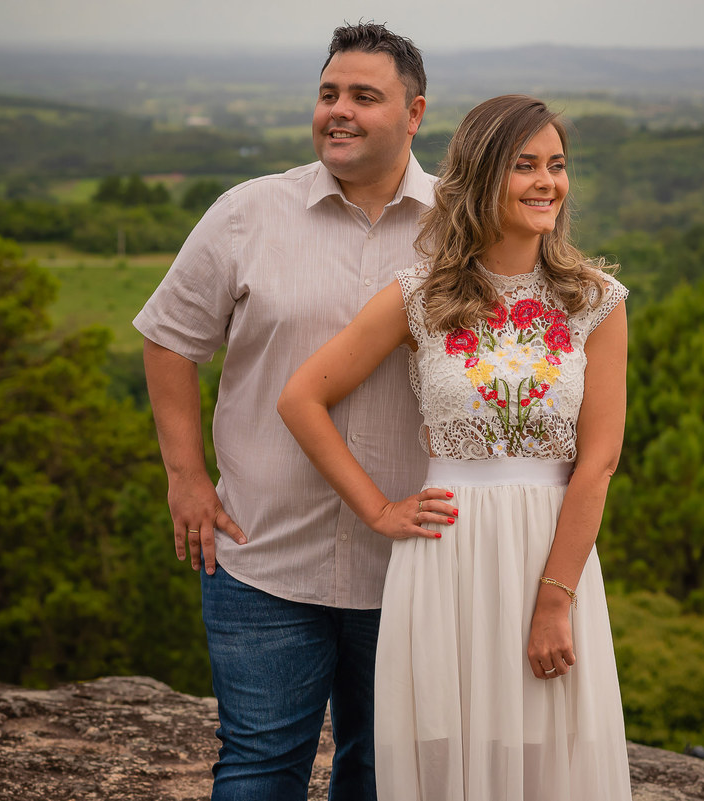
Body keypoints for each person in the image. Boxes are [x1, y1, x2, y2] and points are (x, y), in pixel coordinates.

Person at [278, 94, 634, 800]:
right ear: (480, 176)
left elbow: (598, 461)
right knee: (447, 756)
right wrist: (379, 509)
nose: (547, 183)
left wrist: (554, 601)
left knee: (547, 754)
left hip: (550, 552)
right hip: (445, 560)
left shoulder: (594, 300)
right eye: (524, 165)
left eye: (557, 166)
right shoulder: (421, 295)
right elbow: (300, 399)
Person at [133, 23, 433, 801]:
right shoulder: (247, 213)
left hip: (413, 566)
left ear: (415, 113)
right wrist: (185, 476)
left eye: (365, 96)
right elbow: (168, 340)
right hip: (260, 553)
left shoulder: (463, 228)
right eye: (328, 93)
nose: (339, 110)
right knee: (258, 770)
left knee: (386, 773)